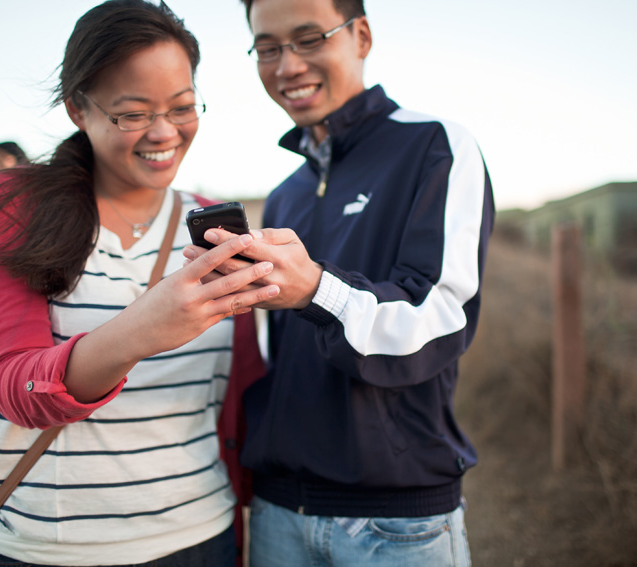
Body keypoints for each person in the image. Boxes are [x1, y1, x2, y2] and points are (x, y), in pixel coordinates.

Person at [0, 1, 278, 565]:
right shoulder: (12, 205)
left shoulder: (212, 222)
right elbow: (13, 386)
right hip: (41, 547)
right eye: (133, 113)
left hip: (200, 536)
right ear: (77, 108)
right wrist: (139, 331)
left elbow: (241, 389)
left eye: (183, 107)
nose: (165, 132)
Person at [191, 0, 495, 565]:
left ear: (360, 36)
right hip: (279, 512)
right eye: (268, 47)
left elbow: (438, 320)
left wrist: (315, 290)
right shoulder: (285, 193)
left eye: (309, 39)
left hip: (396, 520)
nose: (287, 66)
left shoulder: (435, 146)